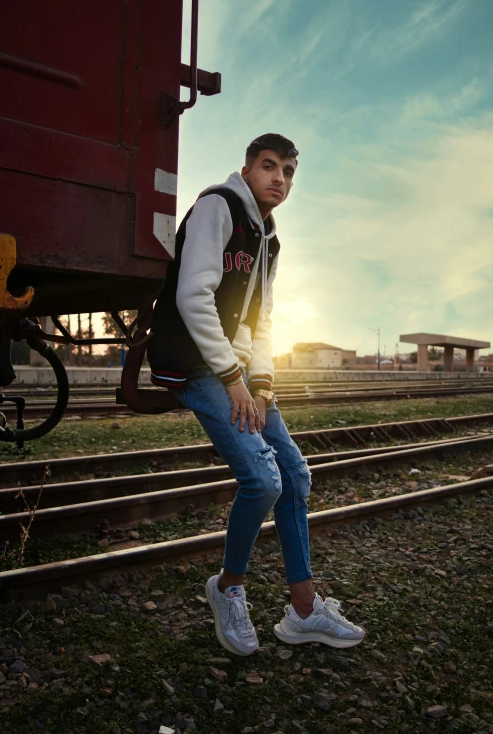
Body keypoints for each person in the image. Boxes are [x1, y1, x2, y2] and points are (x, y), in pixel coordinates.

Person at [148, 134, 365, 656]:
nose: (280, 180)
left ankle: (305, 611)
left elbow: (263, 321)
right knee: (263, 479)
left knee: (295, 475)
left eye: (288, 172)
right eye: (270, 167)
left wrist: (262, 384)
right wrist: (232, 378)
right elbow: (192, 295)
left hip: (238, 372)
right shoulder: (216, 208)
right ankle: (227, 589)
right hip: (200, 367)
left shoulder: (269, 237)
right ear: (247, 169)